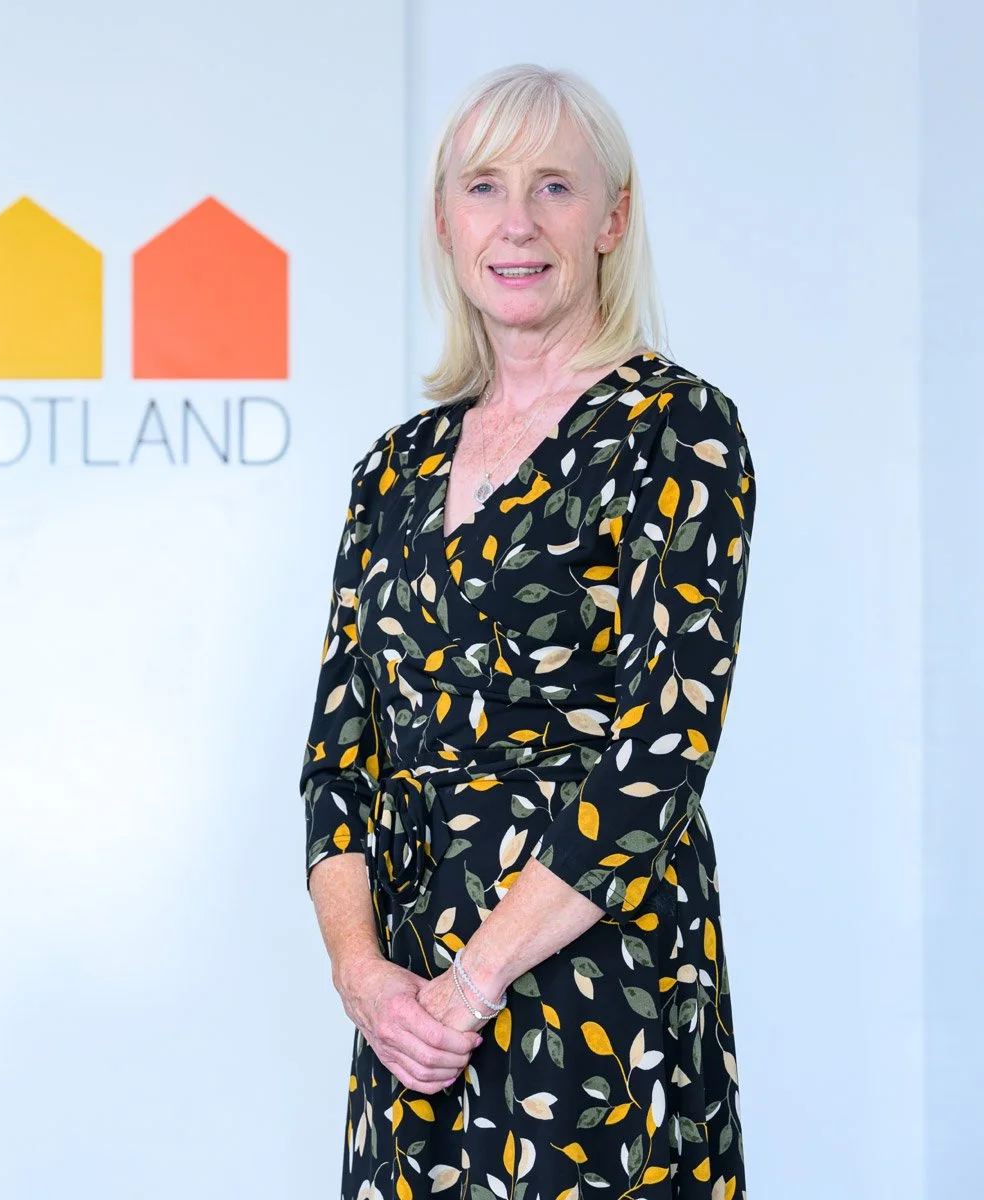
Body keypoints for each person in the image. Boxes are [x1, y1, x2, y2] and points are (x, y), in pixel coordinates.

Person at [301, 64, 754, 1200]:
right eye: (484, 186)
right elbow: (336, 760)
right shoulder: (392, 470)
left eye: (555, 187)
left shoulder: (674, 429)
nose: (516, 222)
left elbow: (659, 757)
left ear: (613, 217)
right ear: (446, 223)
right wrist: (371, 983)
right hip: (413, 1037)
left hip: (595, 1002)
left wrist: (473, 985)